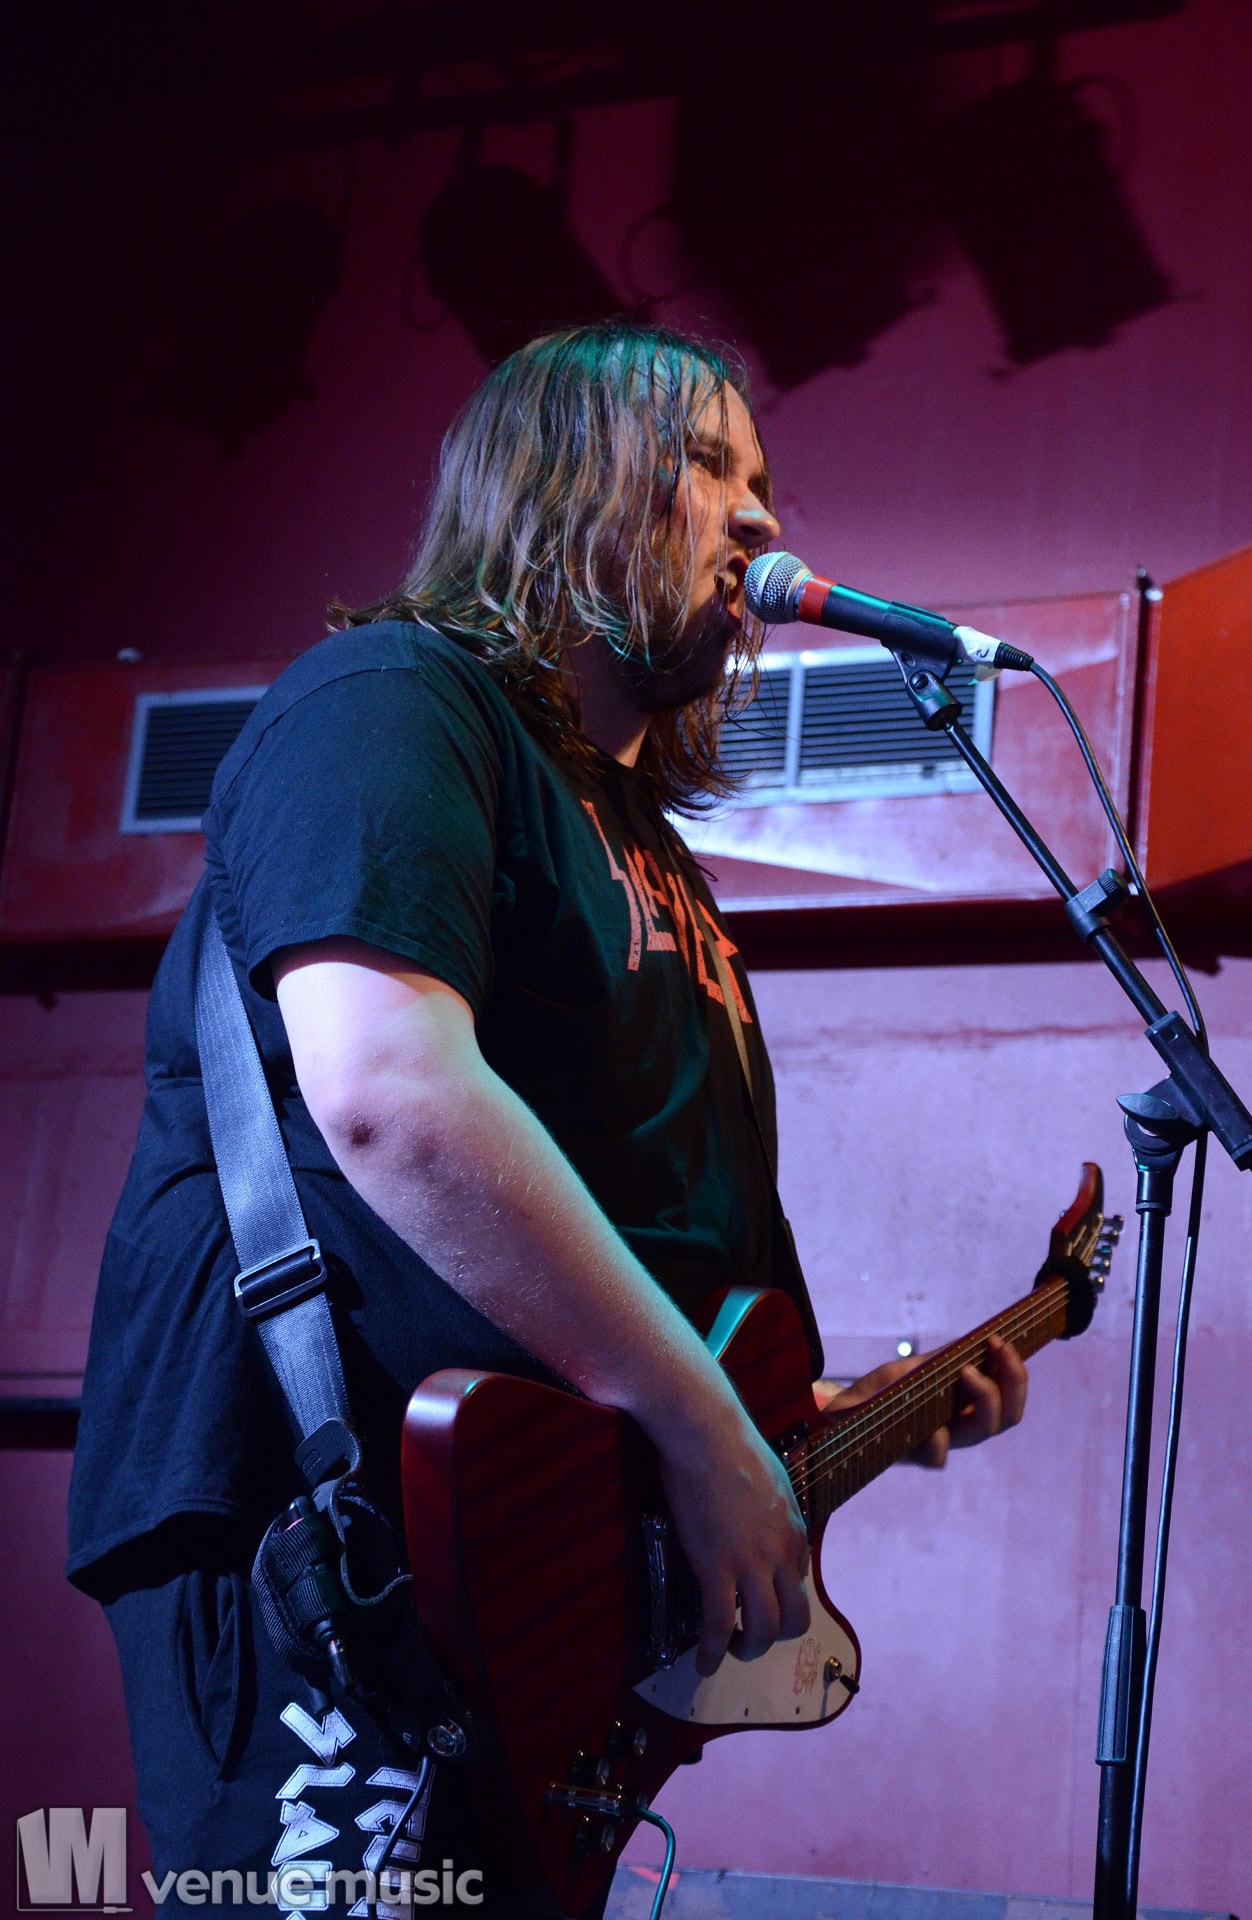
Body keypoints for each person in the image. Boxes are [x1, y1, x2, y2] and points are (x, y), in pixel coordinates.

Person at [67, 321, 1026, 1916]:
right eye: (704, 464)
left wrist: (806, 1420)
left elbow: (632, 1238)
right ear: (561, 486)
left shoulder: (651, 853)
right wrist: (705, 1428)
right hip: (339, 1527)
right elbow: (387, 1093)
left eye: (765, 477)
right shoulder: (394, 702)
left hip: (531, 1567)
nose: (760, 514)